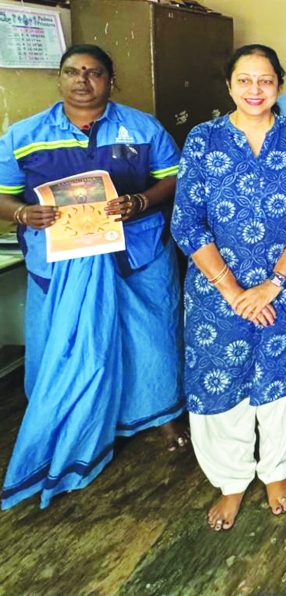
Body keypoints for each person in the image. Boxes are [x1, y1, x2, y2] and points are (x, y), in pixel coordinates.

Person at [0, 44, 187, 510]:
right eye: (72, 72)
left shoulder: (142, 128)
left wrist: (140, 202)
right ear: (59, 78)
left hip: (136, 254)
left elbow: (174, 179)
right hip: (62, 265)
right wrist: (23, 213)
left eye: (94, 72)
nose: (83, 80)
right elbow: (2, 196)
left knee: (149, 338)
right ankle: (65, 418)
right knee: (64, 344)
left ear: (110, 79)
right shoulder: (24, 135)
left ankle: (161, 415)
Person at [172, 44, 286, 531]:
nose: (255, 90)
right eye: (244, 80)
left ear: (278, 84)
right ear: (229, 85)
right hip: (218, 292)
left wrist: (273, 284)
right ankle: (231, 479)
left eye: (264, 80)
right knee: (220, 379)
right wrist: (234, 290)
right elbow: (186, 222)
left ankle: (276, 469)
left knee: (281, 377)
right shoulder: (203, 139)